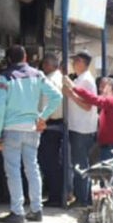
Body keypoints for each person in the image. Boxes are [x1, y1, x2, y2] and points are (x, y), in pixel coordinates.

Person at [0, 45, 62, 223]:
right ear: (25, 58)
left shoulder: (4, 77)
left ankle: (17, 211)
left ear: (8, 59)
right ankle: (36, 209)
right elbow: (57, 96)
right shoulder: (38, 75)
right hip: (32, 128)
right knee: (32, 168)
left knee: (13, 171)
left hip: (11, 129)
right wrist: (42, 117)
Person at [62, 76, 113, 191]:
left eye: (106, 87)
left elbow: (93, 99)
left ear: (111, 88)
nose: (102, 89)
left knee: (109, 180)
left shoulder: (111, 100)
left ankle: (112, 207)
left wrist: (74, 87)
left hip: (110, 146)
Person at [64, 50, 98, 207]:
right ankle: (83, 197)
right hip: (77, 127)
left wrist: (71, 95)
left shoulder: (87, 81)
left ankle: (82, 198)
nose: (73, 64)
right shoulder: (80, 79)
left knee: (80, 165)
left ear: (82, 62)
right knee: (80, 163)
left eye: (75, 61)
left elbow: (87, 105)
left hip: (82, 129)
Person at [38, 53, 65, 208]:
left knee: (50, 162)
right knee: (54, 161)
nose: (43, 66)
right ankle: (56, 194)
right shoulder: (58, 77)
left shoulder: (51, 80)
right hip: (55, 123)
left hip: (51, 123)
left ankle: (55, 196)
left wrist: (42, 119)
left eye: (44, 64)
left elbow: (51, 102)